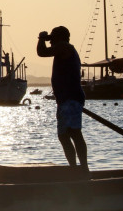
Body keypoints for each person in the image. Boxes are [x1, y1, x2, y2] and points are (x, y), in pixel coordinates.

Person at [37, 26, 88, 170]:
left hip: (71, 98)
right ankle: (74, 168)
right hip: (64, 100)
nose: (51, 42)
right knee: (64, 135)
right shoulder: (61, 47)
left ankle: (83, 168)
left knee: (73, 132)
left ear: (59, 38)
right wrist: (46, 38)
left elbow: (42, 52)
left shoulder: (64, 47)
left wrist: (42, 38)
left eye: (53, 39)